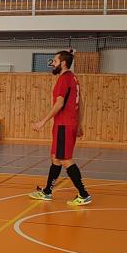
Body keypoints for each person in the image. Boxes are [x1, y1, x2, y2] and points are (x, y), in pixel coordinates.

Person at [30, 50, 91, 206]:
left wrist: (42, 121)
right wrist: (79, 124)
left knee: (65, 159)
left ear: (63, 63)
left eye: (55, 61)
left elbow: (59, 104)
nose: (53, 64)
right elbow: (81, 103)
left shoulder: (64, 79)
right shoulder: (74, 78)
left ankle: (83, 194)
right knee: (55, 158)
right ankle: (47, 192)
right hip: (68, 123)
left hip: (64, 124)